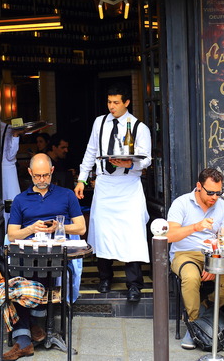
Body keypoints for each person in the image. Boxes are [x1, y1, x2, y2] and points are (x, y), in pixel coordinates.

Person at [4, 153, 86, 361]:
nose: (41, 180)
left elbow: (81, 227)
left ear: (51, 172)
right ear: (30, 173)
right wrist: (31, 227)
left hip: (55, 254)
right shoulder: (21, 199)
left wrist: (60, 227)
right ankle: (30, 333)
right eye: (37, 176)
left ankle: (31, 330)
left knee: (34, 274)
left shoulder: (66, 195)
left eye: (45, 176)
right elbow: (12, 233)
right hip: (28, 255)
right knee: (18, 277)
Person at [74, 85, 151, 302]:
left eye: (116, 102)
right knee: (102, 232)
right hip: (105, 184)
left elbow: (146, 159)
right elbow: (90, 151)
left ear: (126, 103)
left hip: (128, 184)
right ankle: (104, 278)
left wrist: (129, 162)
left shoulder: (139, 127)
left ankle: (134, 284)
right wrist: (82, 178)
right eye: (109, 102)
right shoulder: (100, 122)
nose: (112, 107)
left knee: (132, 234)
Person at [166, 168, 224, 350]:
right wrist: (195, 226)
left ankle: (205, 307)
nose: (214, 197)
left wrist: (213, 263)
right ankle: (194, 327)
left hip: (213, 253)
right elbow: (170, 235)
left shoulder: (222, 206)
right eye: (210, 192)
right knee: (191, 278)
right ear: (199, 186)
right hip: (184, 253)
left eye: (218, 193)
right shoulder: (182, 203)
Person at [1, 122, 25, 202]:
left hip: (2, 167)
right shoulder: (7, 128)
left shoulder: (2, 127)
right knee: (11, 197)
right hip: (8, 169)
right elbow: (10, 156)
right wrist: (16, 135)